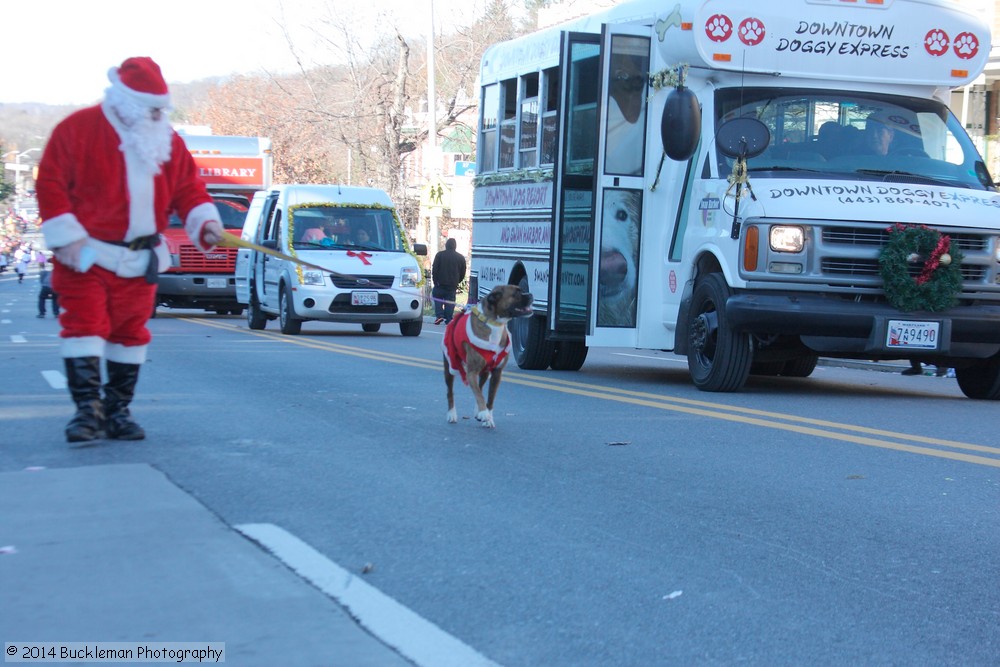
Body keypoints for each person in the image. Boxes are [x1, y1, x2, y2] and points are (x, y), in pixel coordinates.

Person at [36, 56, 225, 444]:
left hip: (141, 259)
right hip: (85, 254)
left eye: (162, 110)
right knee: (84, 328)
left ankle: (118, 411)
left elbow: (189, 190)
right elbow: (50, 184)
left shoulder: (167, 140)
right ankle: (87, 412)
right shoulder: (77, 129)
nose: (159, 116)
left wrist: (204, 224)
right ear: (125, 102)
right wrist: (66, 236)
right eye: (151, 109)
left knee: (129, 334)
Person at [431, 237, 466, 324]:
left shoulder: (439, 255)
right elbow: (463, 272)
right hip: (452, 285)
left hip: (440, 283)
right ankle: (449, 318)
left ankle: (439, 316)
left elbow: (434, 269)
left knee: (438, 299)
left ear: (446, 245)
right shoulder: (460, 258)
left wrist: (435, 281)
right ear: (455, 246)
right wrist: (458, 281)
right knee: (450, 301)